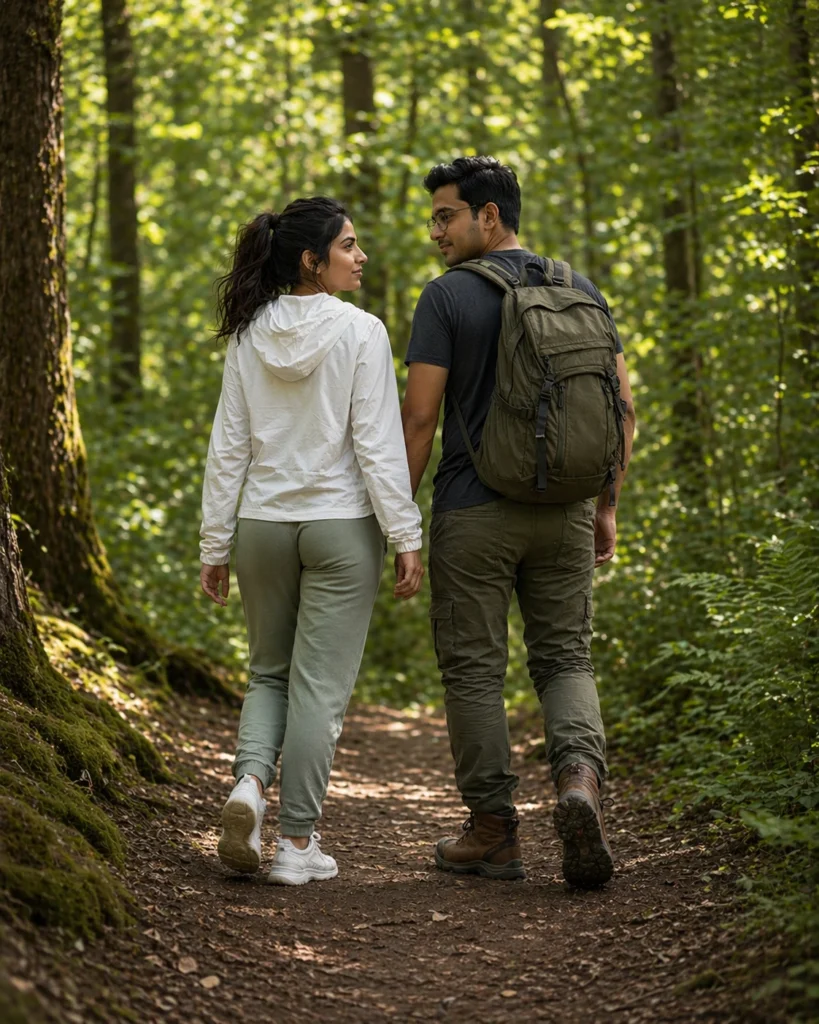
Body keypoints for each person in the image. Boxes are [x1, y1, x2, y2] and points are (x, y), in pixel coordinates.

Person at [401, 157, 636, 887]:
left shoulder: (445, 298)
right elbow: (622, 409)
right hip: (564, 511)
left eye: (446, 214)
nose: (434, 229)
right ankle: (578, 788)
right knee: (565, 658)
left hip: (474, 510)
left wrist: (397, 520)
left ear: (488, 217)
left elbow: (418, 418)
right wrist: (606, 504)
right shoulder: (579, 288)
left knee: (474, 668)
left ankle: (494, 831)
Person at [200, 196, 424, 886]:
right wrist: (404, 534)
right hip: (339, 526)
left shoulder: (248, 334)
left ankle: (246, 789)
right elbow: (378, 446)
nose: (360, 257)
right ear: (311, 259)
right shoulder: (360, 332)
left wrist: (215, 544)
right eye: (349, 245)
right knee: (317, 689)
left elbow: (227, 449)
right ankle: (296, 846)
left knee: (268, 671)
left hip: (262, 527)